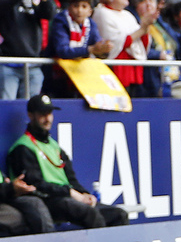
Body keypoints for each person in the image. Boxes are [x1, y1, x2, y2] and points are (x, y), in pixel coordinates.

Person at [8, 94, 129, 228]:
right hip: (47, 200)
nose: (47, 118)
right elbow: (35, 184)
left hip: (66, 198)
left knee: (119, 215)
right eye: (42, 114)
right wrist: (70, 193)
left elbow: (71, 179)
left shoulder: (54, 146)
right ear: (31, 115)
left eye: (49, 113)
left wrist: (85, 194)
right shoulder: (23, 148)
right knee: (89, 213)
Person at [92, 0, 156, 97]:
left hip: (133, 69)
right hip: (117, 70)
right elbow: (118, 42)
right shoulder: (102, 13)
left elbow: (139, 41)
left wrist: (146, 27)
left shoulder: (128, 15)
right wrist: (142, 29)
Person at [44, 0, 112, 97]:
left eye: (84, 6)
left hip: (80, 76)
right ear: (69, 8)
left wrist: (104, 49)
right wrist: (91, 50)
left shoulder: (91, 24)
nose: (79, 10)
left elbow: (97, 45)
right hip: (56, 76)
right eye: (76, 6)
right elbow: (63, 51)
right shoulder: (60, 21)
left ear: (90, 11)